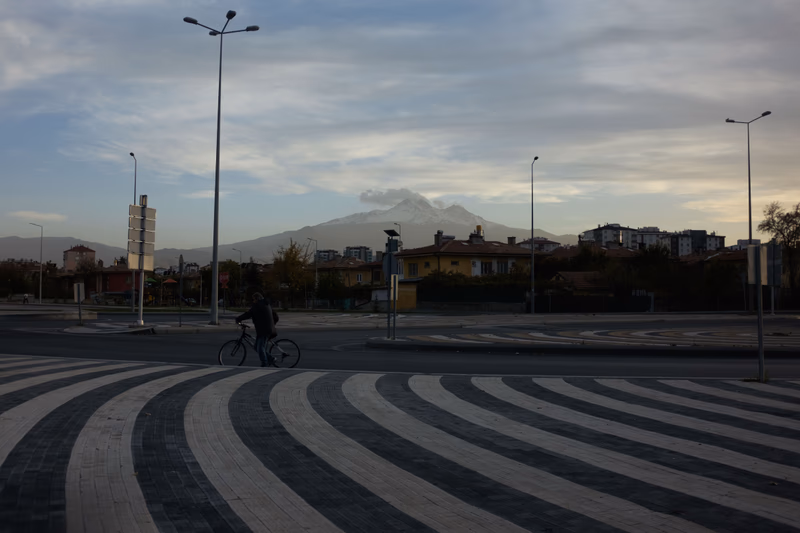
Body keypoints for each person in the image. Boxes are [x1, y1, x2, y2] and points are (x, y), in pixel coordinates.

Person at [236, 292, 279, 367]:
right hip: (265, 329)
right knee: (257, 347)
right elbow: (275, 316)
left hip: (264, 330)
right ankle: (271, 358)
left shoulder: (258, 305)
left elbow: (249, 314)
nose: (253, 301)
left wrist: (238, 319)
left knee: (260, 347)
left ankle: (264, 363)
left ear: (257, 299)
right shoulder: (265, 304)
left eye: (254, 299)